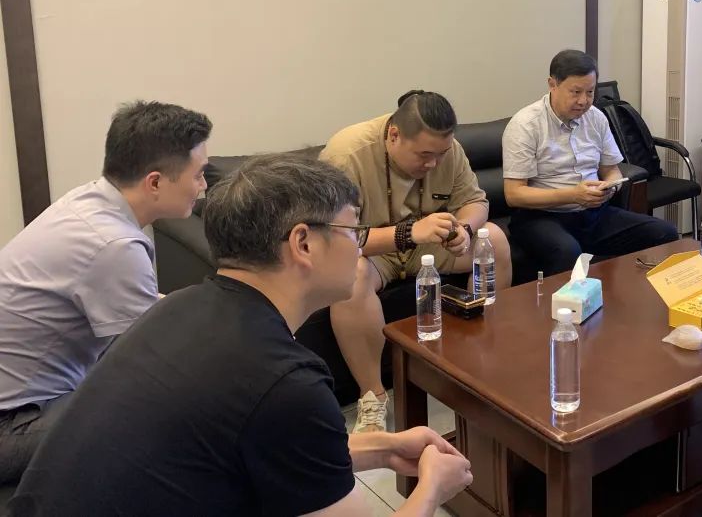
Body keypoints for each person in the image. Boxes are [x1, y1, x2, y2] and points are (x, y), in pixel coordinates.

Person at [10, 154, 473, 516]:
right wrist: (433, 486)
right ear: (303, 243)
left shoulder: (179, 307)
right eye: (353, 229)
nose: (359, 244)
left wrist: (386, 447)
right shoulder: (285, 381)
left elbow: (269, 444)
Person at [0, 101, 211, 486]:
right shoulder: (114, 246)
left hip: (22, 401)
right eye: (198, 175)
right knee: (174, 411)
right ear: (155, 182)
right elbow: (157, 362)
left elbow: (149, 314)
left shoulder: (88, 203)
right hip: (11, 425)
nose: (204, 186)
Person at [320, 91, 512, 433]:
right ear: (394, 135)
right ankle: (372, 396)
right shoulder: (346, 155)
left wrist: (464, 229)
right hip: (374, 252)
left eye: (441, 154)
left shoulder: (447, 150)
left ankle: (483, 360)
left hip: (428, 243)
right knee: (352, 277)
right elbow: (337, 238)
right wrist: (408, 233)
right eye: (424, 155)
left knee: (493, 239)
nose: (434, 164)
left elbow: (476, 201)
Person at [502, 49, 679, 276]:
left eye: (590, 92)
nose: (583, 101)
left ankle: (635, 296)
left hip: (593, 214)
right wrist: (573, 195)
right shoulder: (526, 125)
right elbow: (514, 194)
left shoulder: (596, 118)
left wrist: (610, 187)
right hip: (541, 217)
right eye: (576, 92)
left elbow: (612, 171)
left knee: (664, 233)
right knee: (568, 251)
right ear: (552, 84)